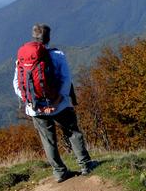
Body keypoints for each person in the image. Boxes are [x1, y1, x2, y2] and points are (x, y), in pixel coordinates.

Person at [13, 24, 97, 182]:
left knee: (48, 139)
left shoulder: (22, 59)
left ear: (33, 37)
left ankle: (59, 172)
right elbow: (66, 80)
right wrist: (58, 99)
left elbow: (17, 84)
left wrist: (30, 102)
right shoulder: (57, 55)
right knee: (72, 132)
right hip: (59, 104)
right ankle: (85, 165)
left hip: (35, 109)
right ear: (48, 38)